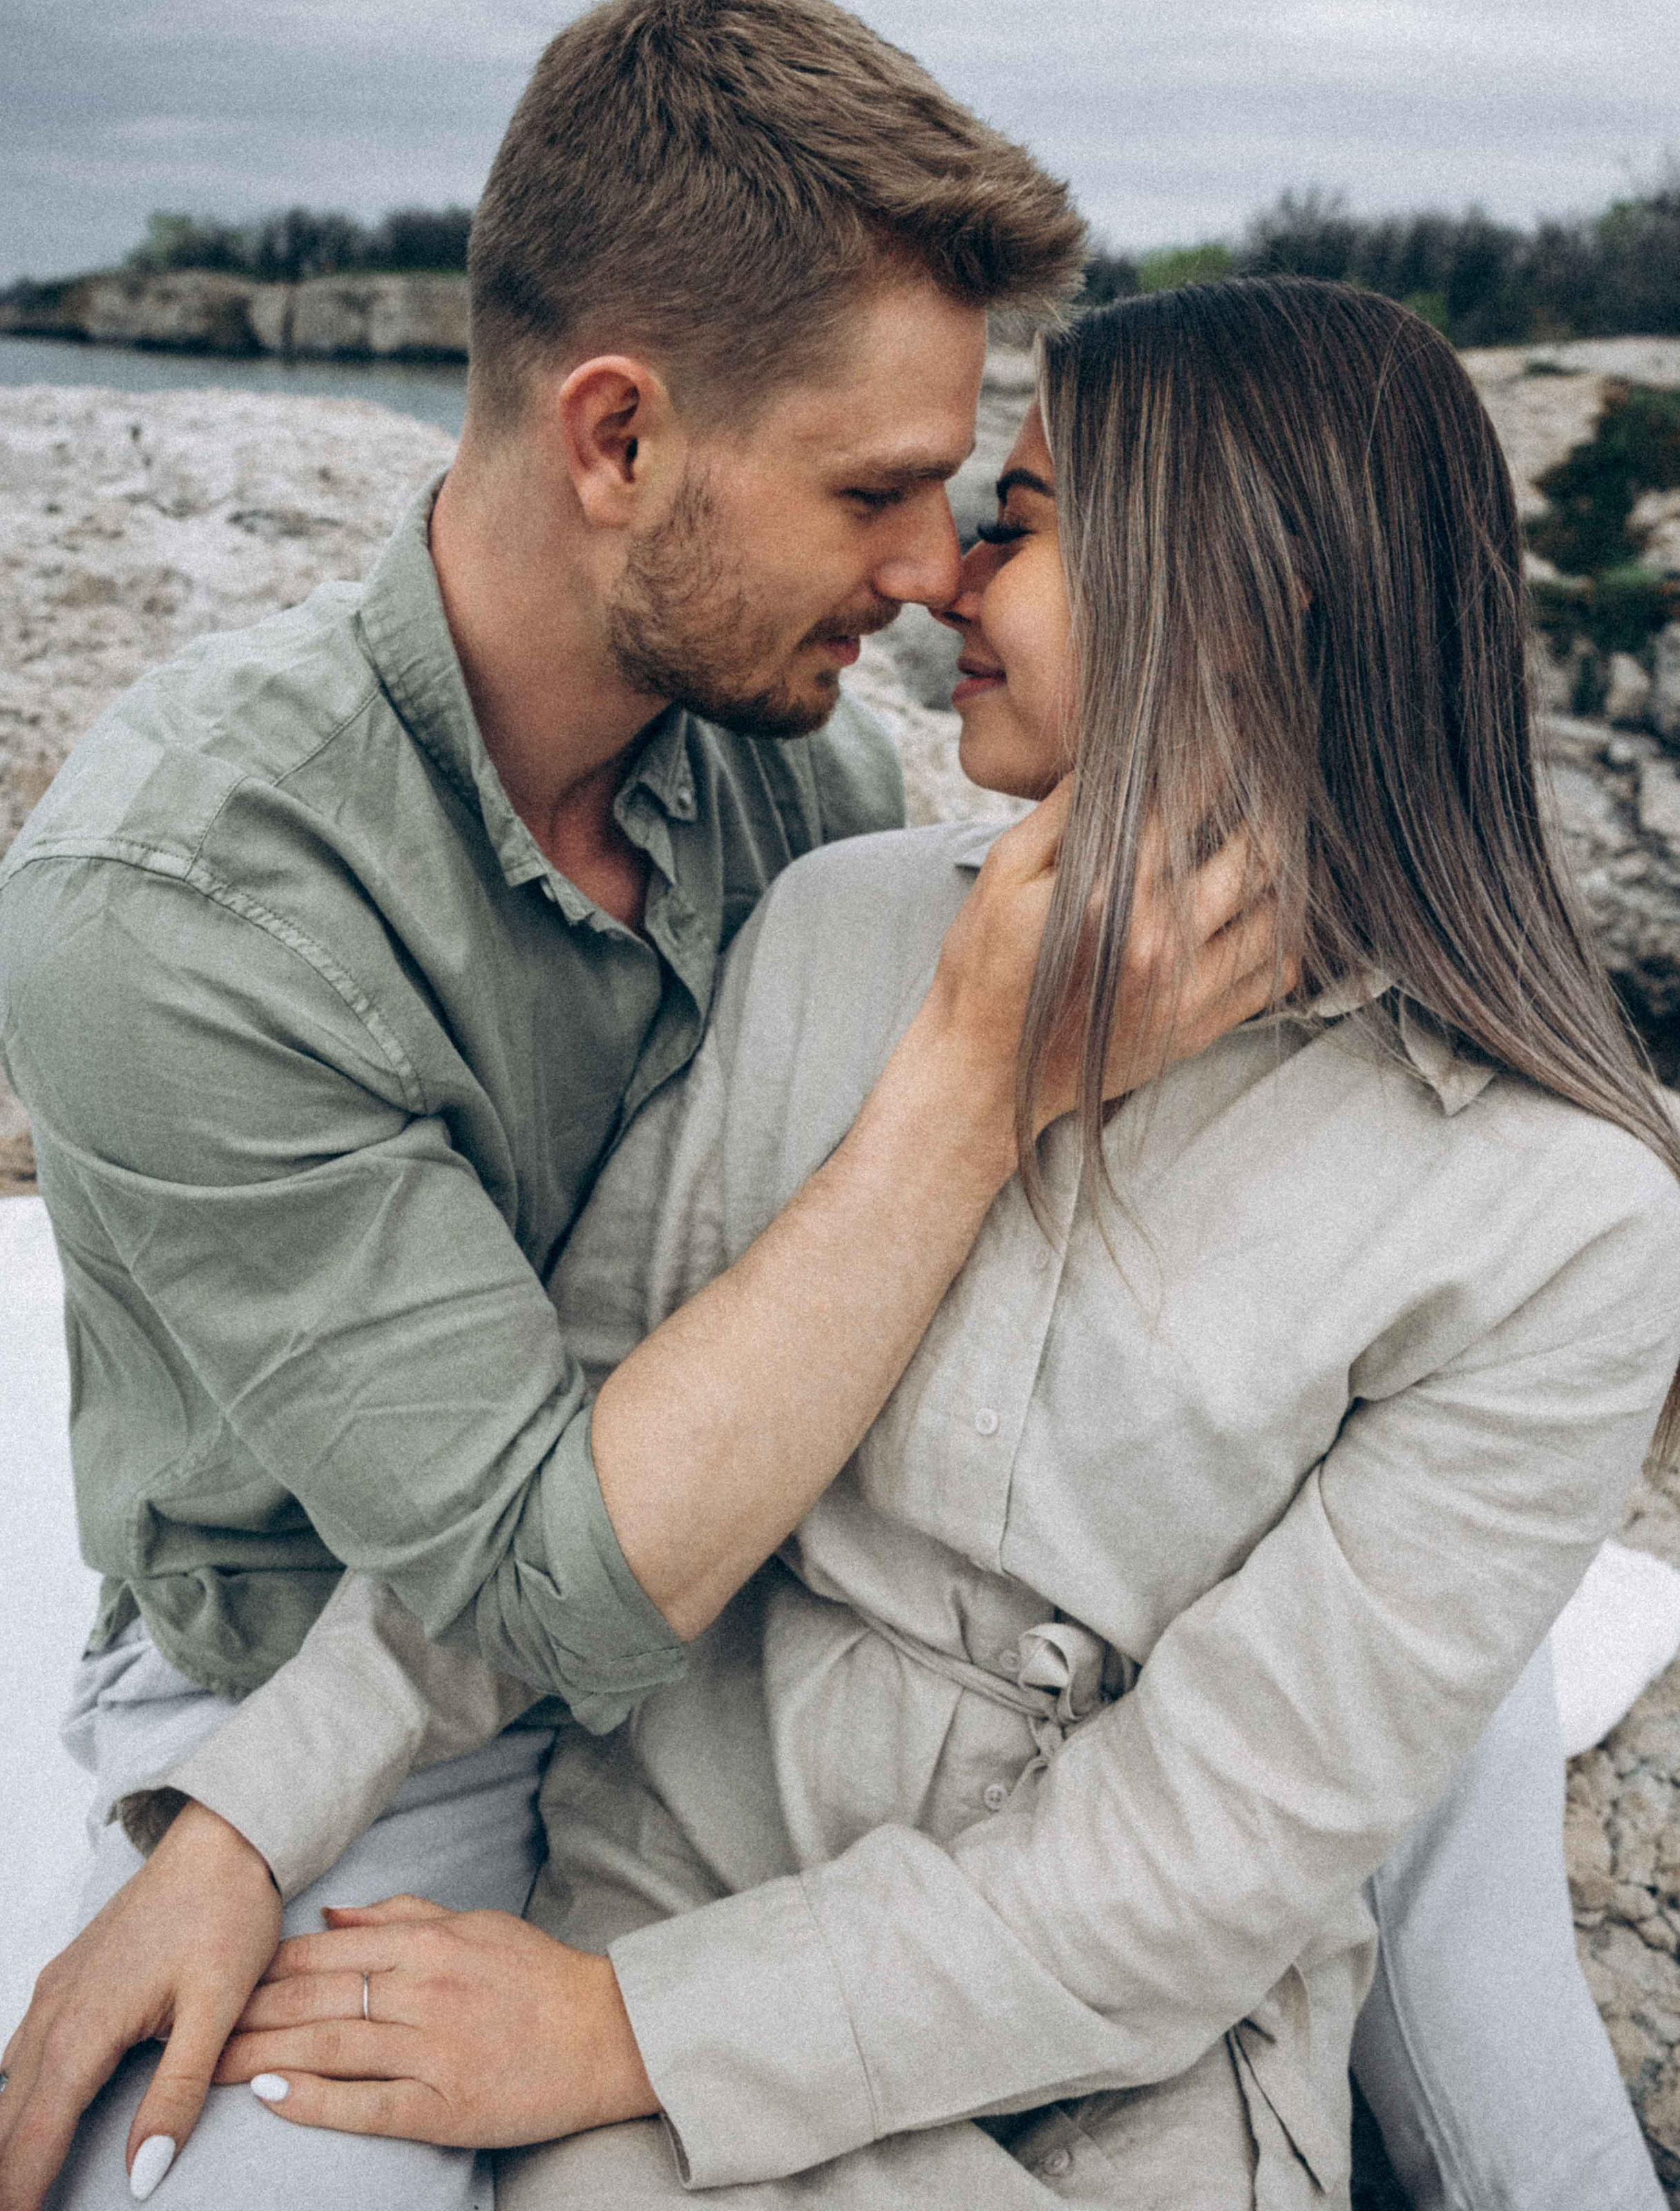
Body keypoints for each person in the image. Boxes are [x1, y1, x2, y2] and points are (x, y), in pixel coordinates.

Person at [100, 281, 1680, 2209]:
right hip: (660, 1932)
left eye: (1018, 523)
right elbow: (579, 1484)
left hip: (1112, 2084)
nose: (946, 577)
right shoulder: (845, 926)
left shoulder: (1557, 1225)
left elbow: (1197, 1864)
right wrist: (242, 1826)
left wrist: (620, 2033)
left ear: (1248, 591)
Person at [1, 6, 1281, 2207]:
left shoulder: (800, 770)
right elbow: (528, 1576)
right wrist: (229, 1826)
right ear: (616, 438)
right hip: (352, 1677)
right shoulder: (179, 905)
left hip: (793, 1614)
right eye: (873, 490)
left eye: (958, 496)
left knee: (1377, 1701)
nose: (924, 576)